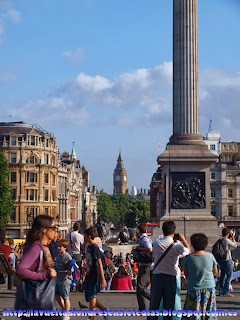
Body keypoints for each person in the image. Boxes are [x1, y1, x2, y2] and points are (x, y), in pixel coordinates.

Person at [15, 215, 57, 316]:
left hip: (41, 297)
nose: (56, 231)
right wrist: (44, 276)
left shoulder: (42, 247)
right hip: (36, 299)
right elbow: (20, 270)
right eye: (54, 228)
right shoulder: (36, 247)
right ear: (44, 230)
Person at [148, 221, 190, 320]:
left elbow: (154, 258)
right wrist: (183, 239)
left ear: (163, 230)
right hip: (171, 277)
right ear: (174, 231)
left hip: (157, 276)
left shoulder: (157, 243)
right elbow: (188, 251)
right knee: (169, 306)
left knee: (154, 305)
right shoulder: (177, 246)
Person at [181, 233, 218, 320]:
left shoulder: (188, 258)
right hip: (209, 287)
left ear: (192, 245)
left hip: (194, 287)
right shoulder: (210, 256)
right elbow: (215, 272)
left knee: (193, 311)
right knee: (209, 310)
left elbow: (186, 273)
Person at [84, 227, 109, 320]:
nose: (84, 238)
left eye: (85, 236)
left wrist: (102, 279)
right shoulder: (88, 247)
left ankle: (91, 317)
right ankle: (104, 310)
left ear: (89, 237)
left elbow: (99, 264)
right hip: (89, 274)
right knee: (89, 297)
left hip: (95, 275)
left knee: (92, 296)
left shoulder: (95, 248)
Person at [136, 222, 153, 311]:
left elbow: (149, 249)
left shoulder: (144, 239)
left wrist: (139, 248)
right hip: (145, 265)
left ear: (138, 230)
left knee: (140, 287)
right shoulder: (145, 238)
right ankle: (142, 308)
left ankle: (153, 299)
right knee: (139, 288)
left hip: (145, 266)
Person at [55, 239, 73, 320]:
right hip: (58, 278)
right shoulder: (58, 256)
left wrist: (71, 270)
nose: (58, 248)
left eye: (60, 246)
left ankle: (67, 314)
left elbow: (73, 266)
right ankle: (64, 309)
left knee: (66, 297)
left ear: (65, 247)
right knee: (57, 296)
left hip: (65, 279)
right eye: (58, 246)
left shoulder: (67, 256)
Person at [218, 228, 237, 297]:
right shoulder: (226, 240)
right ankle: (226, 291)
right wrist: (233, 238)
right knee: (230, 275)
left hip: (221, 260)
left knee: (223, 275)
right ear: (228, 233)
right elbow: (235, 245)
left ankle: (221, 291)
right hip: (227, 260)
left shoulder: (221, 240)